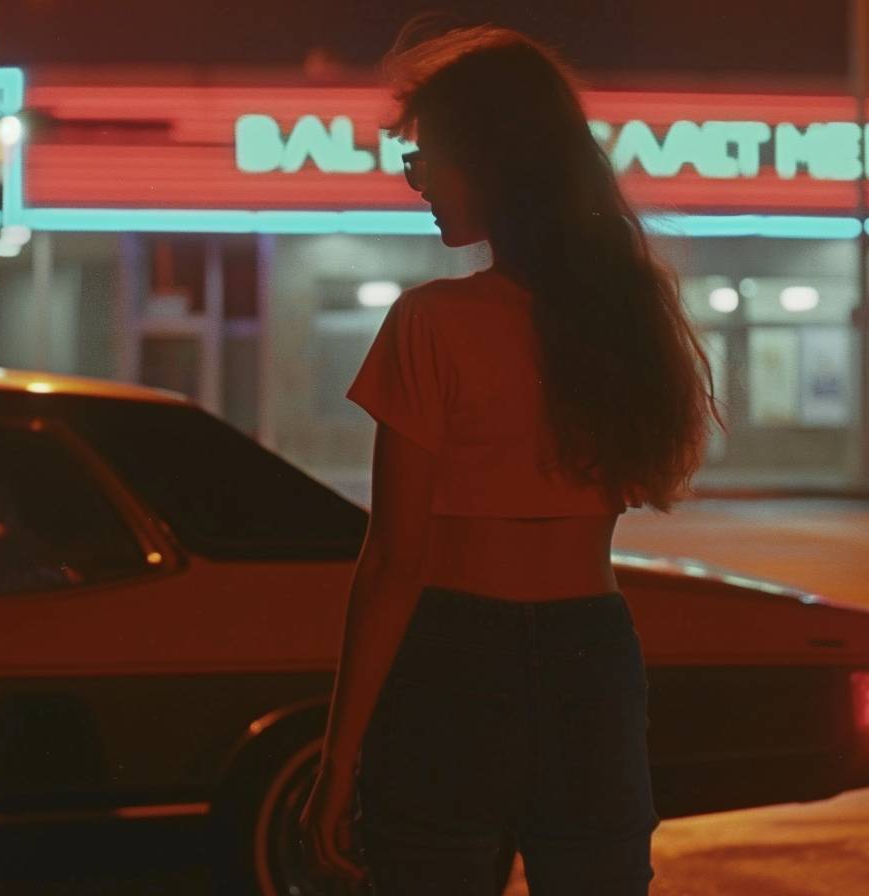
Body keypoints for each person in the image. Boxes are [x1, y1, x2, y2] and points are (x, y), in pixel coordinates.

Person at [299, 20, 722, 895]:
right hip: (593, 654)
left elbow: (393, 561)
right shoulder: (625, 318)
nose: (418, 187)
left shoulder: (432, 323)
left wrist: (338, 759)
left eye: (426, 162)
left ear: (490, 163)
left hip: (455, 656)